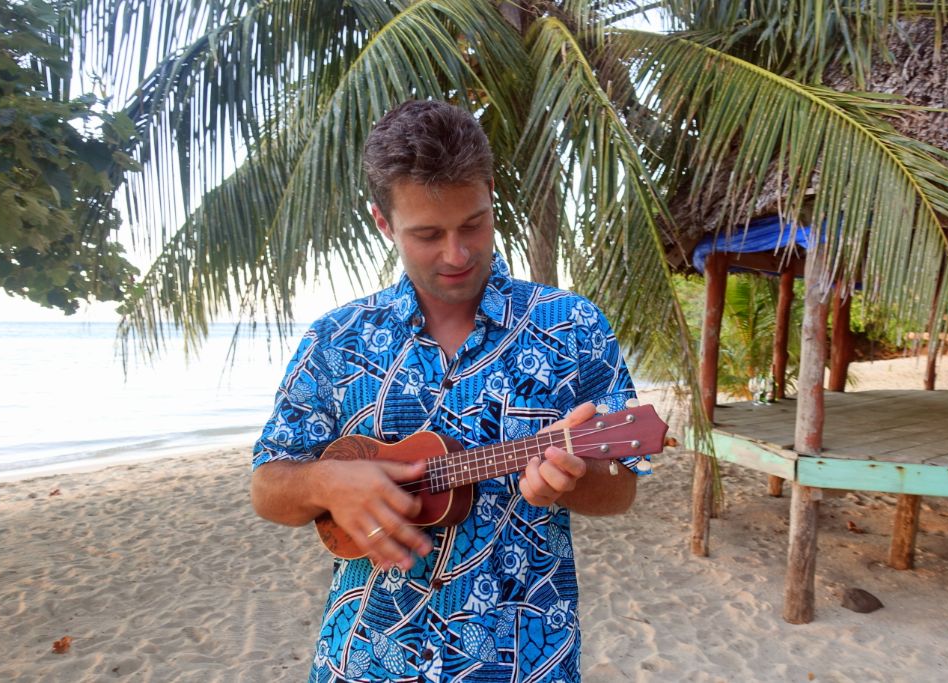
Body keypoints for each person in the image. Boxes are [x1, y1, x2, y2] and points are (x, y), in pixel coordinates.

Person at [251, 100, 651, 682]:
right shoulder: (337, 339)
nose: (457, 254)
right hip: (364, 660)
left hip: (523, 663)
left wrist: (573, 481)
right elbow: (268, 487)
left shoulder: (573, 327)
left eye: (473, 224)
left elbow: (621, 491)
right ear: (383, 223)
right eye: (427, 234)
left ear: (491, 193)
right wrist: (324, 480)